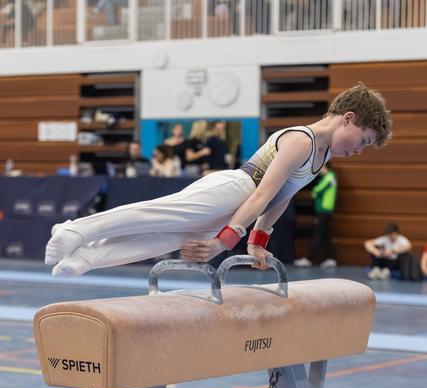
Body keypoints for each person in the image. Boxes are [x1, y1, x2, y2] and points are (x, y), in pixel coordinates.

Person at [45, 83, 391, 278]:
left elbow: (282, 198)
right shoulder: (302, 140)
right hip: (235, 190)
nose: (359, 152)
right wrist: (223, 244)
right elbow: (261, 197)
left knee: (161, 240)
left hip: (235, 211)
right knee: (156, 215)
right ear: (348, 119)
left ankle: (86, 259)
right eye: (362, 142)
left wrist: (257, 241)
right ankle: (75, 230)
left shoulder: (323, 154)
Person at [294, 164, 338, 268]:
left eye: (321, 167)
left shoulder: (330, 176)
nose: (319, 169)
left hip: (324, 210)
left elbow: (317, 190)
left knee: (317, 234)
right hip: (323, 210)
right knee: (325, 235)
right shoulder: (325, 177)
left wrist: (314, 191)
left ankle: (309, 259)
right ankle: (331, 259)